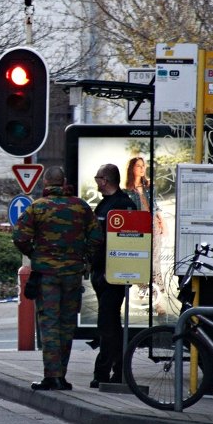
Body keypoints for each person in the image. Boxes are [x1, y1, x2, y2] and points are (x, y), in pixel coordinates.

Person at [13, 166, 101, 391]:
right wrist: (84, 258)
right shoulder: (80, 206)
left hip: (47, 275)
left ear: (45, 183)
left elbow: (20, 236)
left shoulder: (38, 207)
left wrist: (36, 254)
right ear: (64, 182)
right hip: (72, 274)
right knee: (67, 324)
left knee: (50, 323)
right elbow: (96, 236)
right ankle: (61, 375)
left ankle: (52, 376)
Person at [90, 163, 138, 388]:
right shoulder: (105, 204)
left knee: (107, 325)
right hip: (101, 273)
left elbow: (129, 240)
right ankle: (118, 371)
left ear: (105, 180)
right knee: (111, 325)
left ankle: (104, 372)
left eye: (98, 177)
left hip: (114, 274)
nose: (96, 181)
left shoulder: (123, 205)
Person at [123, 156, 166, 296]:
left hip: (153, 223)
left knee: (155, 260)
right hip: (138, 226)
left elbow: (155, 205)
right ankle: (143, 289)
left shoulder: (148, 186)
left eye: (143, 166)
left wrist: (162, 222)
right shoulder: (126, 190)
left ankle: (156, 294)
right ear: (132, 169)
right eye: (138, 166)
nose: (142, 168)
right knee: (141, 258)